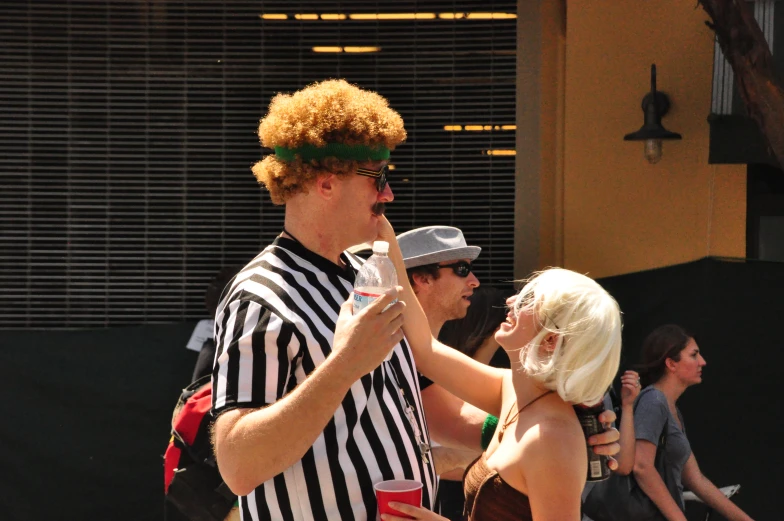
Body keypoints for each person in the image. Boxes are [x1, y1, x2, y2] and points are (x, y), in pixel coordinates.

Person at [211, 79, 621, 521]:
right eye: (378, 178)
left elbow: (427, 404)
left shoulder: (366, 278)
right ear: (327, 184)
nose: (388, 194)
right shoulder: (262, 295)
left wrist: (554, 431)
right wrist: (344, 365)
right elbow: (237, 465)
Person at [378, 222, 624, 520]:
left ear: (550, 340)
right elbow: (426, 352)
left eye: (529, 300)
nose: (511, 301)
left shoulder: (550, 436)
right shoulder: (513, 390)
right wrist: (383, 233)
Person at [632, 325, 755, 521]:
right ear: (671, 363)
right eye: (694, 355)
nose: (703, 362)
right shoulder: (653, 401)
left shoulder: (672, 409)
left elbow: (695, 479)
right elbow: (641, 466)